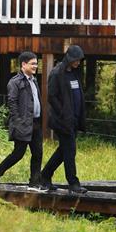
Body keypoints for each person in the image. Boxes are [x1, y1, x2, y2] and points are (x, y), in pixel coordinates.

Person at [0, 51, 46, 192]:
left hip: (36, 123)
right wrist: (18, 122)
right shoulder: (15, 82)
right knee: (18, 154)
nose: (35, 66)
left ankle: (34, 183)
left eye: (36, 63)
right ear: (23, 64)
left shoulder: (34, 80)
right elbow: (12, 103)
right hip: (23, 124)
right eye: (32, 63)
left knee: (38, 153)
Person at [39, 44, 88, 194]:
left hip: (74, 119)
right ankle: (73, 183)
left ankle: (45, 176)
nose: (78, 63)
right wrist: (63, 113)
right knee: (70, 150)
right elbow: (52, 97)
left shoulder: (74, 73)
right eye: (76, 60)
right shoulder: (56, 73)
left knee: (64, 150)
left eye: (80, 60)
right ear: (69, 58)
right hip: (62, 120)